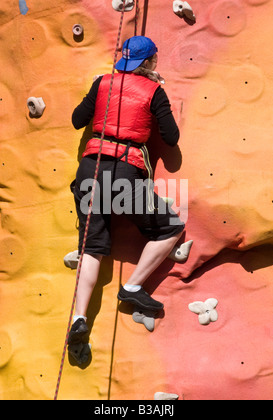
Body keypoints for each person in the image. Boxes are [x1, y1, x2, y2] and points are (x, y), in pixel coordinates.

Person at [68, 36, 185, 345]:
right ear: (148, 63)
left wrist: (98, 90)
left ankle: (79, 318)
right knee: (170, 226)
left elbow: (77, 120)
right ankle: (132, 287)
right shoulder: (154, 91)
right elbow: (170, 137)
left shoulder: (102, 83)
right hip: (123, 171)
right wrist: (160, 95)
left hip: (88, 170)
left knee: (91, 248)